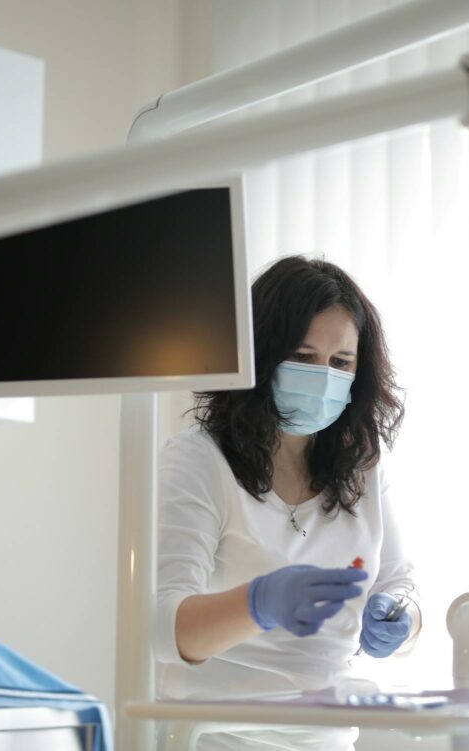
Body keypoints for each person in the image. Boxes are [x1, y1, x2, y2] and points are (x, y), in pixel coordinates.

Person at [154, 255, 420, 750]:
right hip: (214, 738)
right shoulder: (199, 460)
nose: (323, 377)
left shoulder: (361, 466)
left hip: (328, 739)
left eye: (340, 363)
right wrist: (260, 603)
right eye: (302, 356)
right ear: (259, 356)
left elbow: (399, 585)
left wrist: (400, 617)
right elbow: (162, 628)